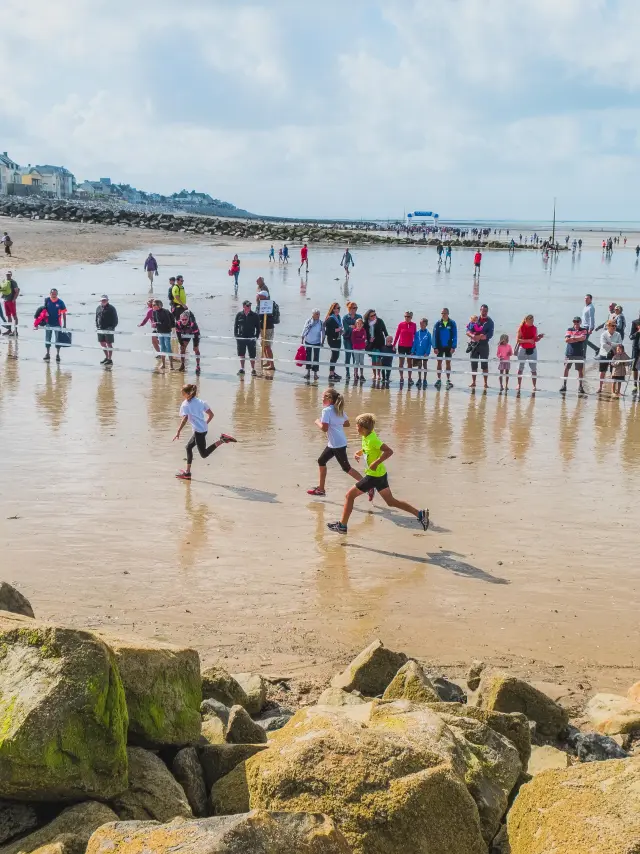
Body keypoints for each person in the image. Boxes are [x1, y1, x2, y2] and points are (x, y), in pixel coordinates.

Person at [327, 412, 429, 534]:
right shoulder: (367, 436)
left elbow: (389, 451)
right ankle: (420, 514)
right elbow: (368, 448)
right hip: (381, 475)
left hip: (373, 476)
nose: (356, 427)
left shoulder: (373, 439)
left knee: (349, 496)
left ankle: (342, 526)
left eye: (357, 425)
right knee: (391, 502)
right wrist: (360, 452)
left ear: (363, 428)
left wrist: (376, 462)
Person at [173, 384, 236, 480]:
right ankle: (187, 473)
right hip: (203, 429)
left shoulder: (185, 405)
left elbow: (185, 418)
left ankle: (222, 440)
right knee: (188, 447)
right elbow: (211, 415)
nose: (181, 394)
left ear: (189, 394)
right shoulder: (200, 402)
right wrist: (204, 424)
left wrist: (178, 431)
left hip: (199, 432)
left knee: (204, 454)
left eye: (183, 393)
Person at [307, 388, 362, 496]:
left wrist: (317, 422)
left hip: (337, 444)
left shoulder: (326, 411)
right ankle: (321, 489)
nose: (322, 399)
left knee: (346, 468)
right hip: (334, 443)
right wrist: (335, 423)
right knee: (321, 461)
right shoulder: (338, 410)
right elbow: (347, 423)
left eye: (323, 397)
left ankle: (367, 485)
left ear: (330, 399)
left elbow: (324, 429)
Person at [469, 304, 494, 390]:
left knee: (484, 364)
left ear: (487, 311)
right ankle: (473, 382)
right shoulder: (475, 319)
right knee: (473, 364)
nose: (484, 312)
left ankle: (485, 383)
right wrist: (473, 336)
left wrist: (482, 337)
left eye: (485, 311)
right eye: (483, 310)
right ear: (480, 310)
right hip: (474, 344)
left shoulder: (490, 322)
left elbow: (490, 334)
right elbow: (468, 330)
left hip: (484, 345)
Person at [516, 314, 544, 392]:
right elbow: (518, 340)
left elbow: (535, 339)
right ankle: (519, 385)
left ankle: (534, 386)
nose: (532, 322)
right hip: (523, 349)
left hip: (532, 349)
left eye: (533, 320)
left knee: (533, 369)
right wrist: (528, 340)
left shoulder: (534, 328)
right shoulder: (521, 327)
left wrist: (539, 337)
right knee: (520, 368)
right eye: (531, 320)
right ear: (526, 320)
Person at [560, 317, 587, 396]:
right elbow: (566, 340)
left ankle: (580, 386)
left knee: (580, 370)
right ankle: (564, 385)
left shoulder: (583, 330)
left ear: (580, 322)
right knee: (566, 368)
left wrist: (573, 337)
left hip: (579, 353)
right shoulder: (569, 329)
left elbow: (583, 338)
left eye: (577, 321)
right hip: (569, 353)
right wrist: (577, 338)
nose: (576, 323)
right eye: (574, 321)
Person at [432, 307, 457, 389]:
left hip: (448, 346)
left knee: (448, 363)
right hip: (439, 346)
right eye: (442, 313)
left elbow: (455, 335)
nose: (443, 315)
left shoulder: (452, 323)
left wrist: (453, 346)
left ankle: (448, 380)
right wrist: (435, 347)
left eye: (445, 313)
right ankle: (439, 379)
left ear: (448, 314)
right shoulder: (438, 323)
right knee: (439, 362)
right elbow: (434, 336)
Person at [234, 299, 260, 376]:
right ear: (244, 306)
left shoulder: (255, 315)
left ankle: (253, 369)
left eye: (250, 305)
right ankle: (242, 369)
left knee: (252, 354)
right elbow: (236, 326)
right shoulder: (239, 315)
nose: (249, 307)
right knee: (241, 354)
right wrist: (236, 335)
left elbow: (258, 328)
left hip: (251, 338)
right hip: (241, 338)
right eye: (247, 305)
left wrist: (256, 336)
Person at [255, 277, 276, 374]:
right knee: (263, 345)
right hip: (262, 327)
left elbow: (269, 316)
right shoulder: (260, 304)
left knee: (267, 346)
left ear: (264, 296)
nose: (258, 297)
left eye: (260, 296)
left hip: (268, 327)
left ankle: (272, 365)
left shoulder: (268, 305)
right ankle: (268, 361)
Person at [42, 288, 67, 362]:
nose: (54, 295)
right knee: (47, 339)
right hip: (48, 324)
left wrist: (65, 324)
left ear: (57, 294)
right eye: (52, 293)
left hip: (57, 324)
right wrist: (40, 321)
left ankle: (57, 355)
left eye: (55, 294)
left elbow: (64, 313)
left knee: (58, 340)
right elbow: (43, 311)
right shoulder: (47, 301)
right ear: (50, 294)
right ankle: (47, 354)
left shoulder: (60, 302)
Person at [363, 309, 388, 384]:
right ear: (368, 317)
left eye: (375, 315)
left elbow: (385, 331)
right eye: (372, 315)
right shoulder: (366, 324)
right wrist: (367, 340)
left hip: (380, 342)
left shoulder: (379, 321)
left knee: (379, 359)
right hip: (371, 344)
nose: (374, 316)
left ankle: (378, 374)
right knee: (373, 359)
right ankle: (374, 374)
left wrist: (388, 341)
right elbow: (364, 334)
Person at [597, 319, 622, 393]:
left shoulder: (618, 334)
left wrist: (610, 343)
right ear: (608, 326)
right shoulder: (603, 334)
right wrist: (614, 345)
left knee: (614, 372)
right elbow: (603, 344)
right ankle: (600, 388)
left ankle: (613, 389)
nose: (614, 327)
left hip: (614, 354)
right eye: (612, 325)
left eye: (615, 326)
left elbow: (620, 344)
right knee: (602, 372)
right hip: (604, 354)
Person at [393, 310, 417, 385]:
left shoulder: (414, 325)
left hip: (410, 346)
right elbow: (397, 335)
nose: (407, 318)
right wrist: (393, 345)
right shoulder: (401, 324)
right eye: (405, 316)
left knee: (410, 363)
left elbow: (415, 337)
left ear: (411, 317)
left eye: (408, 316)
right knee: (401, 363)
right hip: (401, 346)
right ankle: (401, 378)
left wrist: (415, 347)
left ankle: (409, 378)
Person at [152, 298, 175, 371]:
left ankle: (171, 365)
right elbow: (155, 321)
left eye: (154, 305)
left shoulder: (165, 311)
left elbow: (167, 322)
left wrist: (157, 324)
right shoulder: (154, 312)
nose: (153, 306)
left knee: (168, 347)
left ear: (159, 305)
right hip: (160, 331)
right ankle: (163, 364)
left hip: (167, 331)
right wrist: (155, 324)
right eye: (152, 305)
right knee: (162, 347)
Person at [176, 308, 201, 375]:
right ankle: (182, 364)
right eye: (183, 320)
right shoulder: (178, 323)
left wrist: (195, 345)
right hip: (186, 331)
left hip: (194, 333)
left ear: (188, 319)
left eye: (185, 319)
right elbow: (178, 335)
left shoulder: (193, 323)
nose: (184, 321)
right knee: (182, 348)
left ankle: (198, 366)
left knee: (196, 349)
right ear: (180, 319)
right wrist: (181, 344)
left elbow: (196, 335)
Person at [95, 295, 118, 366]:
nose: (103, 301)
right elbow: (96, 318)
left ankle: (110, 359)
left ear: (107, 300)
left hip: (109, 329)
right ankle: (106, 357)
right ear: (100, 301)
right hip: (100, 328)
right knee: (102, 343)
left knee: (109, 344)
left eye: (105, 300)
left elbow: (115, 319)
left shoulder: (112, 308)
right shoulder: (98, 308)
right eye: (102, 300)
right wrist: (97, 326)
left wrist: (112, 327)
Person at [342, 301, 362, 382]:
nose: (355, 309)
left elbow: (360, 327)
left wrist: (353, 327)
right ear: (349, 308)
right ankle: (347, 373)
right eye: (354, 308)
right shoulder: (345, 318)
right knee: (348, 355)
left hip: (356, 339)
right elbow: (346, 328)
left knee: (355, 356)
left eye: (356, 308)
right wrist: (354, 327)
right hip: (347, 338)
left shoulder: (359, 316)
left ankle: (355, 373)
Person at [323, 302, 343, 382]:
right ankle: (331, 374)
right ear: (333, 309)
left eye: (339, 308)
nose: (339, 309)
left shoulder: (338, 317)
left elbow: (339, 327)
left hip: (338, 338)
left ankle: (333, 372)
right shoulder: (330, 318)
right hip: (332, 339)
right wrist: (338, 330)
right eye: (337, 308)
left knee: (336, 356)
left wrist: (341, 331)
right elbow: (328, 332)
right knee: (334, 355)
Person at [302, 309, 323, 382]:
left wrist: (322, 342)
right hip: (308, 341)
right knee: (308, 357)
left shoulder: (320, 322)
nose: (318, 315)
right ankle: (308, 372)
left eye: (319, 314)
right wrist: (302, 339)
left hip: (317, 342)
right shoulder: (308, 321)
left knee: (316, 358)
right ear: (313, 315)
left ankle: (315, 373)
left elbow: (323, 332)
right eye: (316, 314)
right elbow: (304, 329)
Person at [411, 318, 431, 388]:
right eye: (420, 324)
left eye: (423, 324)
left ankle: (425, 379)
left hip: (425, 353)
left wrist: (427, 353)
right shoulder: (417, 333)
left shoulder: (428, 334)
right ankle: (419, 379)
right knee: (419, 366)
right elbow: (414, 343)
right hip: (418, 352)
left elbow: (429, 344)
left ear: (426, 324)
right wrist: (412, 351)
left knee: (425, 366)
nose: (421, 325)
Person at [1, 270, 19, 335]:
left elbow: (17, 291)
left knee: (14, 316)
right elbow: (3, 290)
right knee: (8, 315)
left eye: (9, 274)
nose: (8, 275)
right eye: (7, 274)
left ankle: (15, 331)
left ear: (11, 275)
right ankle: (9, 330)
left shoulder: (13, 282)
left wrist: (14, 299)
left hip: (11, 301)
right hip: (6, 300)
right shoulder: (4, 281)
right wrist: (2, 296)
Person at [350, 318, 367, 383]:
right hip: (356, 348)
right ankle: (355, 374)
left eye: (360, 323)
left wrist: (358, 339)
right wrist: (360, 339)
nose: (359, 325)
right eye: (358, 323)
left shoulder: (363, 330)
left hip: (362, 347)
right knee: (356, 361)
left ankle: (361, 375)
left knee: (361, 361)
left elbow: (364, 338)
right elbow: (353, 340)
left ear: (362, 324)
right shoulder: (354, 331)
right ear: (356, 324)